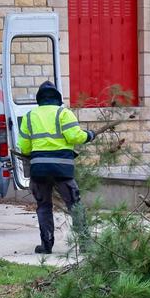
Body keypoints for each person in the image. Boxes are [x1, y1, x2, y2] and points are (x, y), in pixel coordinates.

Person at [18, 81, 95, 254]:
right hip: (63, 170)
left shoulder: (30, 116)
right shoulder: (64, 113)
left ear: (39, 99)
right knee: (75, 206)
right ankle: (84, 244)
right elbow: (75, 137)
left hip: (39, 170)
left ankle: (46, 246)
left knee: (44, 207)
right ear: (57, 98)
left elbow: (24, 147)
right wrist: (90, 135)